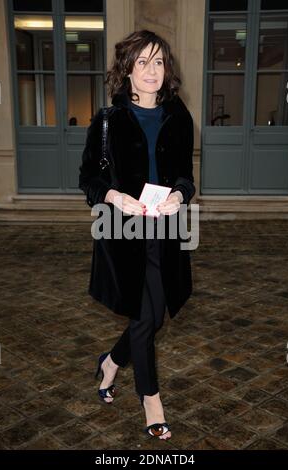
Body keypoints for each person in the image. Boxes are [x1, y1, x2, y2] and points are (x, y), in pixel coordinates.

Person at [79, 30, 195, 440]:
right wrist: (112, 195)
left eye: (159, 62)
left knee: (155, 317)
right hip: (123, 232)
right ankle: (151, 399)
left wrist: (180, 194)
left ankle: (111, 361)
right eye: (142, 62)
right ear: (126, 69)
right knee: (145, 318)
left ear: (167, 70)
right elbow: (88, 177)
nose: (151, 70)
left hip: (166, 231)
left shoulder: (178, 116)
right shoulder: (108, 119)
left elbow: (185, 174)